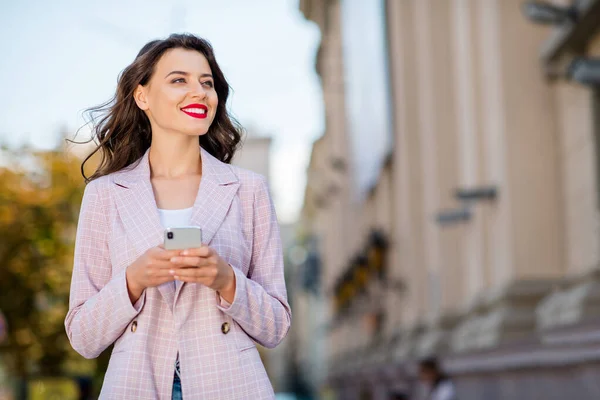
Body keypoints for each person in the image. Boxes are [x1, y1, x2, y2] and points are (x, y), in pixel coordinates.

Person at [64, 33, 291, 399]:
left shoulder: (249, 190)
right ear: (142, 96)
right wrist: (133, 280)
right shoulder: (104, 195)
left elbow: (276, 327)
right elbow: (82, 337)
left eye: (207, 83)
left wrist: (227, 280)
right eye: (178, 80)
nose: (199, 92)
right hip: (135, 384)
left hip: (232, 385)